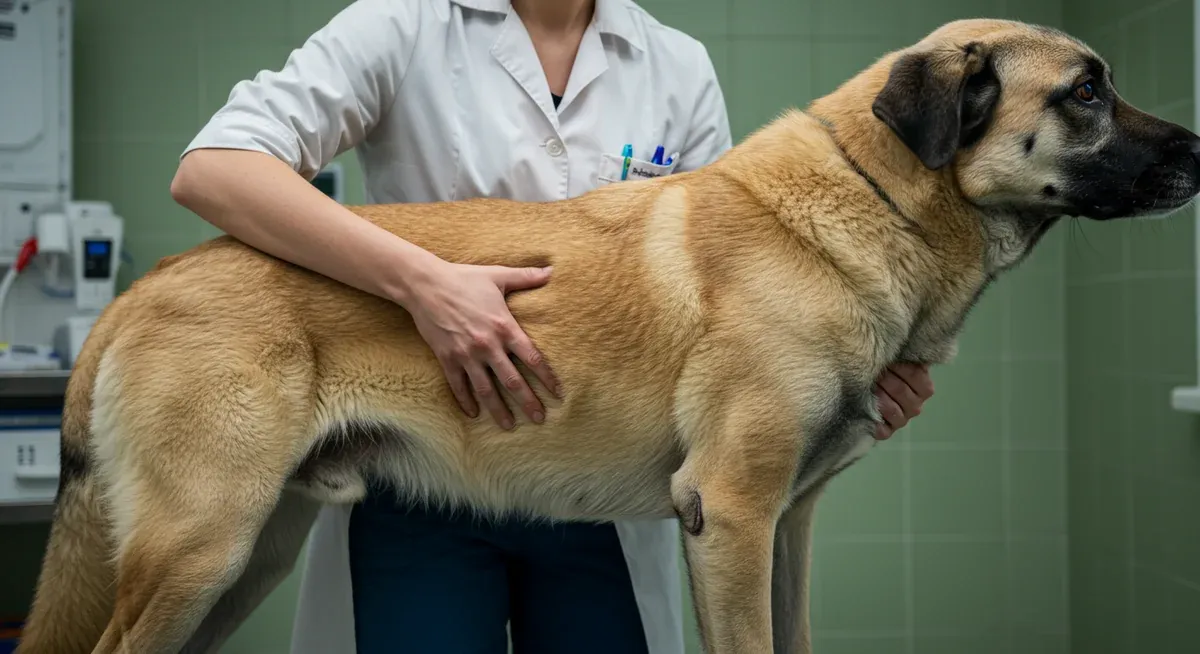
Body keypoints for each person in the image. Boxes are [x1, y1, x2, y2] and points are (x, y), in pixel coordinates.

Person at [170, 0, 936, 652]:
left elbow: (729, 285)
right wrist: (422, 283)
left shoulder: (675, 64)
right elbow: (214, 169)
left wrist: (848, 382)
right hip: (421, 474)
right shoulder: (403, 23)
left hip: (602, 498)